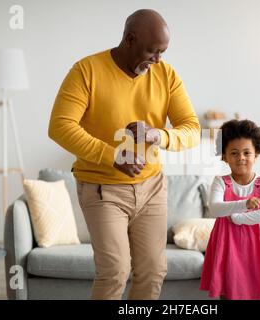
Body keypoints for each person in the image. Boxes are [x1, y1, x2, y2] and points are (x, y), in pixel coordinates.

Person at [48, 9, 200, 300]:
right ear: (129, 39)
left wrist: (160, 135)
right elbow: (59, 126)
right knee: (115, 270)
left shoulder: (166, 75)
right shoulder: (86, 71)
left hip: (152, 188)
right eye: (152, 51)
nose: (157, 60)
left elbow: (192, 129)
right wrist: (113, 156)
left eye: (163, 53)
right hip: (102, 190)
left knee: (154, 271)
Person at [200, 119, 260, 300]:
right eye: (234, 153)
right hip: (227, 242)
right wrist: (244, 204)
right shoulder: (221, 182)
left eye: (247, 152)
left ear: (256, 155)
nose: (241, 158)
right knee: (230, 288)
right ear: (224, 157)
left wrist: (239, 218)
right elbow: (215, 208)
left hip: (259, 242)